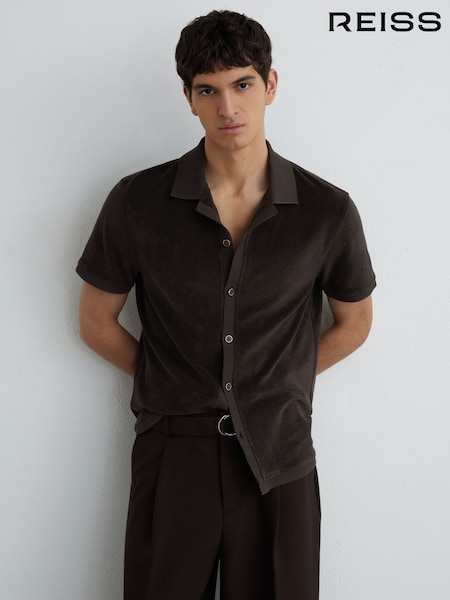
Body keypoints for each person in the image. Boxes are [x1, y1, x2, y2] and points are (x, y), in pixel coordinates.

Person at [77, 10, 376, 600]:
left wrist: (276, 380)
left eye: (242, 84)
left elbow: (355, 322)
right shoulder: (138, 201)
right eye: (208, 91)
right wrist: (171, 380)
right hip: (173, 452)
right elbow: (95, 321)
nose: (228, 108)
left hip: (277, 456)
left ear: (270, 84)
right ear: (188, 99)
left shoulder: (326, 210)